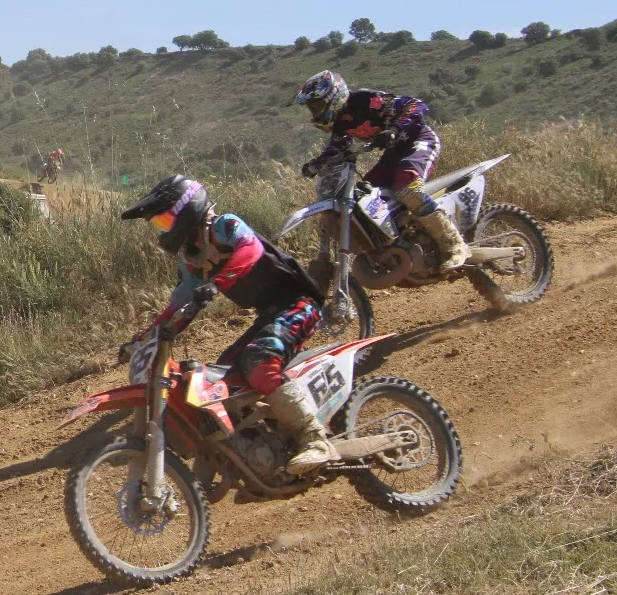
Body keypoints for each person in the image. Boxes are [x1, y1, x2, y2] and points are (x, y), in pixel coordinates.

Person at [121, 174, 336, 476]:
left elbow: (250, 250)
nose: (165, 229)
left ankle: (314, 437)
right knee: (222, 378)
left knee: (260, 359)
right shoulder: (192, 259)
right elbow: (179, 304)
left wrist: (216, 283)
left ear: (187, 209)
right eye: (160, 224)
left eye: (166, 220)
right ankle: (255, 446)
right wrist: (146, 337)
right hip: (269, 315)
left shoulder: (225, 226)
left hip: (299, 304)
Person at [294, 70, 468, 271]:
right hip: (394, 152)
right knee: (367, 196)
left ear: (333, 97)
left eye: (316, 105)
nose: (314, 111)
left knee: (408, 189)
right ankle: (403, 242)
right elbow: (337, 146)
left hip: (419, 140)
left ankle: (454, 244)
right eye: (311, 108)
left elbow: (415, 105)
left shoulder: (366, 100)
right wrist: (318, 163)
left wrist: (394, 130)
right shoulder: (340, 122)